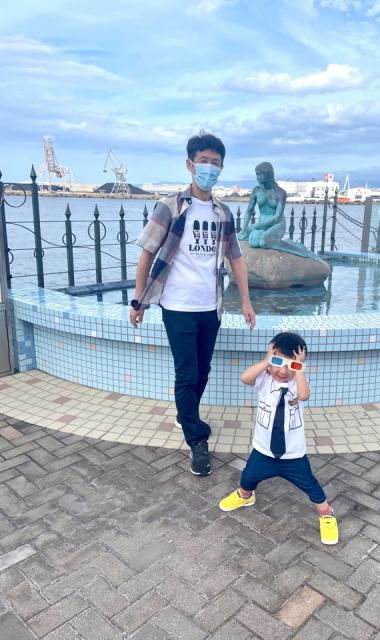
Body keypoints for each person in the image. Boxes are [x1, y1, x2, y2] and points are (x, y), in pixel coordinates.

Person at [129, 132, 255, 477]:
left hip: (210, 307)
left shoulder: (222, 212)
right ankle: (196, 440)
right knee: (186, 372)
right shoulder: (170, 207)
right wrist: (138, 300)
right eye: (203, 161)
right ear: (190, 164)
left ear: (221, 168)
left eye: (216, 163)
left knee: (202, 371)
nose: (209, 168)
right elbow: (147, 254)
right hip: (177, 306)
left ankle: (187, 415)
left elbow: (237, 259)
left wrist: (246, 301)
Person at [219, 332, 338, 545]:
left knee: (310, 485)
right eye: (277, 363)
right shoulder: (264, 380)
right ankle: (246, 496)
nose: (283, 371)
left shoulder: (297, 384)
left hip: (293, 455)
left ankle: (326, 513)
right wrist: (266, 361)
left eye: (291, 365)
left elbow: (304, 395)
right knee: (248, 476)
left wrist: (298, 369)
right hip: (264, 450)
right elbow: (245, 378)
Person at [238, 162, 324, 261]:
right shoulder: (256, 190)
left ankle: (299, 249)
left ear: (267, 174)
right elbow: (249, 211)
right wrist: (243, 231)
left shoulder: (280, 193)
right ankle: (279, 240)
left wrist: (257, 226)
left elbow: (277, 217)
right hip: (262, 225)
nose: (256, 177)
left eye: (258, 174)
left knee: (264, 241)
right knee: (253, 242)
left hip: (277, 224)